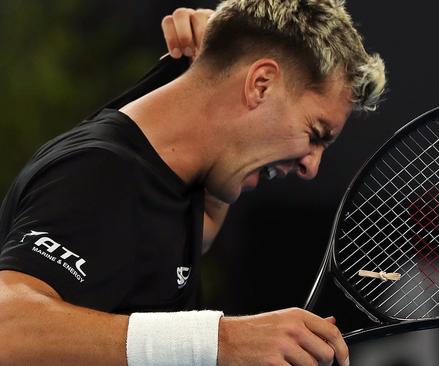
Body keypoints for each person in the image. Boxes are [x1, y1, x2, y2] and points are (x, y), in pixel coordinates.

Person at [0, 1, 386, 365]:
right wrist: (221, 341)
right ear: (261, 84)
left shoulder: (181, 179)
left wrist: (216, 47)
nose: (311, 167)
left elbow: (165, 243)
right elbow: (7, 328)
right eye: (315, 133)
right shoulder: (100, 173)